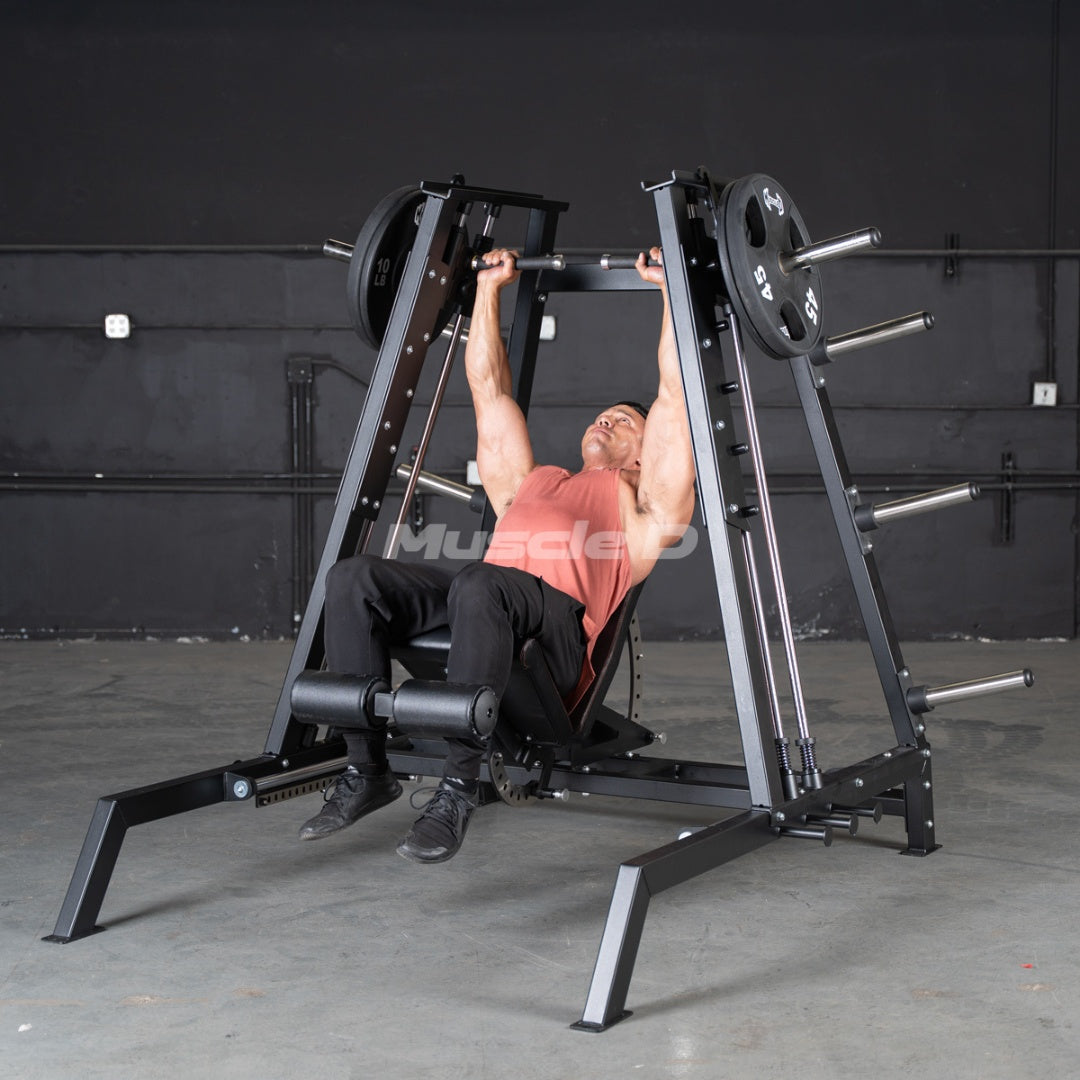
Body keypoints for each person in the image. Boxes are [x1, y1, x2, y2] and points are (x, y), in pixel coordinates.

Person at [298, 245, 695, 863]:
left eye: (622, 422)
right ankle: (364, 767)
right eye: (604, 415)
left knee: (482, 582)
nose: (606, 421)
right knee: (355, 579)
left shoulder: (645, 509)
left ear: (647, 456)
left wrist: (671, 291)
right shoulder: (530, 483)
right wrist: (488, 289)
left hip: (552, 643)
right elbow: (488, 387)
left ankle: (459, 784)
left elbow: (674, 394)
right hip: (485, 607)